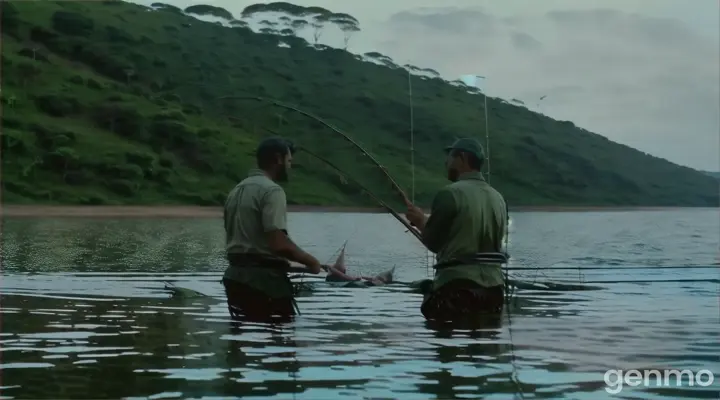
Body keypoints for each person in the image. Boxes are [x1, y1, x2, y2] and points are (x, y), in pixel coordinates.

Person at [222, 137, 328, 322]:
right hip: (264, 283)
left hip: (234, 279)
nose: (289, 167)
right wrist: (312, 262)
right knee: (281, 344)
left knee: (243, 342)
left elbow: (250, 247)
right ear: (278, 159)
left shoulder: (236, 190)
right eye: (289, 161)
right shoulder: (272, 191)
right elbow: (278, 243)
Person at [404, 138, 509, 322]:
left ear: (462, 158)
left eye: (450, 157)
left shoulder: (450, 193)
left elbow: (433, 243)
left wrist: (420, 221)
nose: (446, 163)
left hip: (457, 287)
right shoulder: (498, 198)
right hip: (495, 289)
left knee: (449, 345)